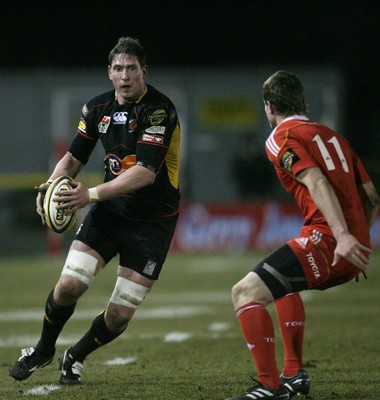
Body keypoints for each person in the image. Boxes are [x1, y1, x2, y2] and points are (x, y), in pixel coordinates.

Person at [9, 36, 181, 385]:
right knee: (69, 285)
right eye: (118, 68)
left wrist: (88, 194)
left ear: (144, 71)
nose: (125, 76)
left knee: (118, 315)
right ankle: (43, 349)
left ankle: (75, 355)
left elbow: (145, 173)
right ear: (109, 73)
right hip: (110, 212)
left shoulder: (160, 109)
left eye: (132, 68)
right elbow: (74, 157)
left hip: (153, 222)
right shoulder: (96, 108)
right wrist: (51, 187)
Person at [226, 70, 379, 400]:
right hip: (351, 248)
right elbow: (372, 196)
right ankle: (294, 374)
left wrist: (343, 236)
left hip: (329, 241)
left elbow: (316, 182)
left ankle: (269, 386)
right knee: (281, 283)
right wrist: (358, 240)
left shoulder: (280, 136)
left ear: (269, 105)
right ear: (301, 100)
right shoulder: (334, 136)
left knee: (245, 293)